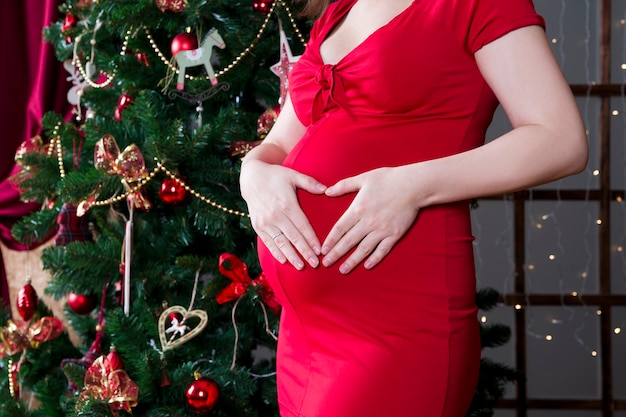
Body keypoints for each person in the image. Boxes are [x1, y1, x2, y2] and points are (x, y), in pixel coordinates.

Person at [239, 0, 588, 415]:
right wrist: (253, 170)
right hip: (305, 336)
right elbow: (280, 143)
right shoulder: (341, 9)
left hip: (394, 325)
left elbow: (560, 140)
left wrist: (412, 185)